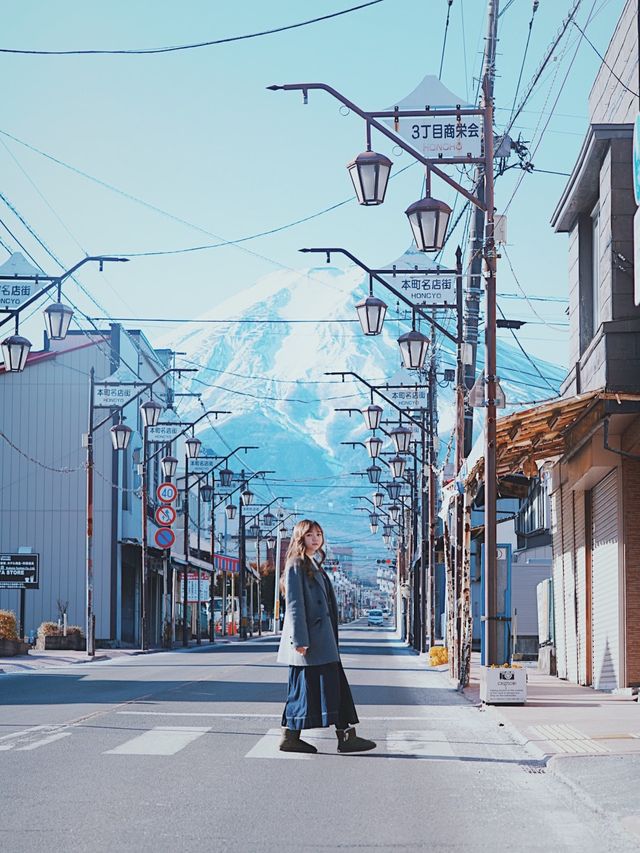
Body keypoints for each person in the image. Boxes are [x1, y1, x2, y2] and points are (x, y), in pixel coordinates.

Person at [277, 518, 376, 754]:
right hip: (311, 642)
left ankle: (340, 736)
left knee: (327, 688)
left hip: (322, 640)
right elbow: (294, 605)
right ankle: (297, 736)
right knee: (309, 689)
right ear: (300, 538)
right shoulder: (296, 564)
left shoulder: (312, 563)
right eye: (310, 535)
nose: (316, 539)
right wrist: (300, 640)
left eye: (319, 534)